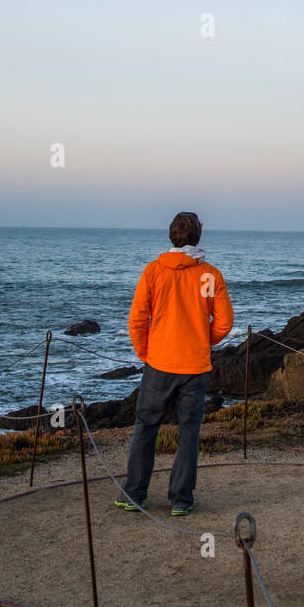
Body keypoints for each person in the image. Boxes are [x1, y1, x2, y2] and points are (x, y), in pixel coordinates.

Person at [116, 211, 234, 515]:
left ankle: (134, 494)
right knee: (189, 432)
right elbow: (224, 321)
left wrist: (145, 352)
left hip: (159, 363)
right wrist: (203, 340)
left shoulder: (155, 271)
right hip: (194, 366)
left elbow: (138, 318)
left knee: (146, 427)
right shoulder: (208, 275)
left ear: (172, 235)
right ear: (198, 236)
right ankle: (181, 499)